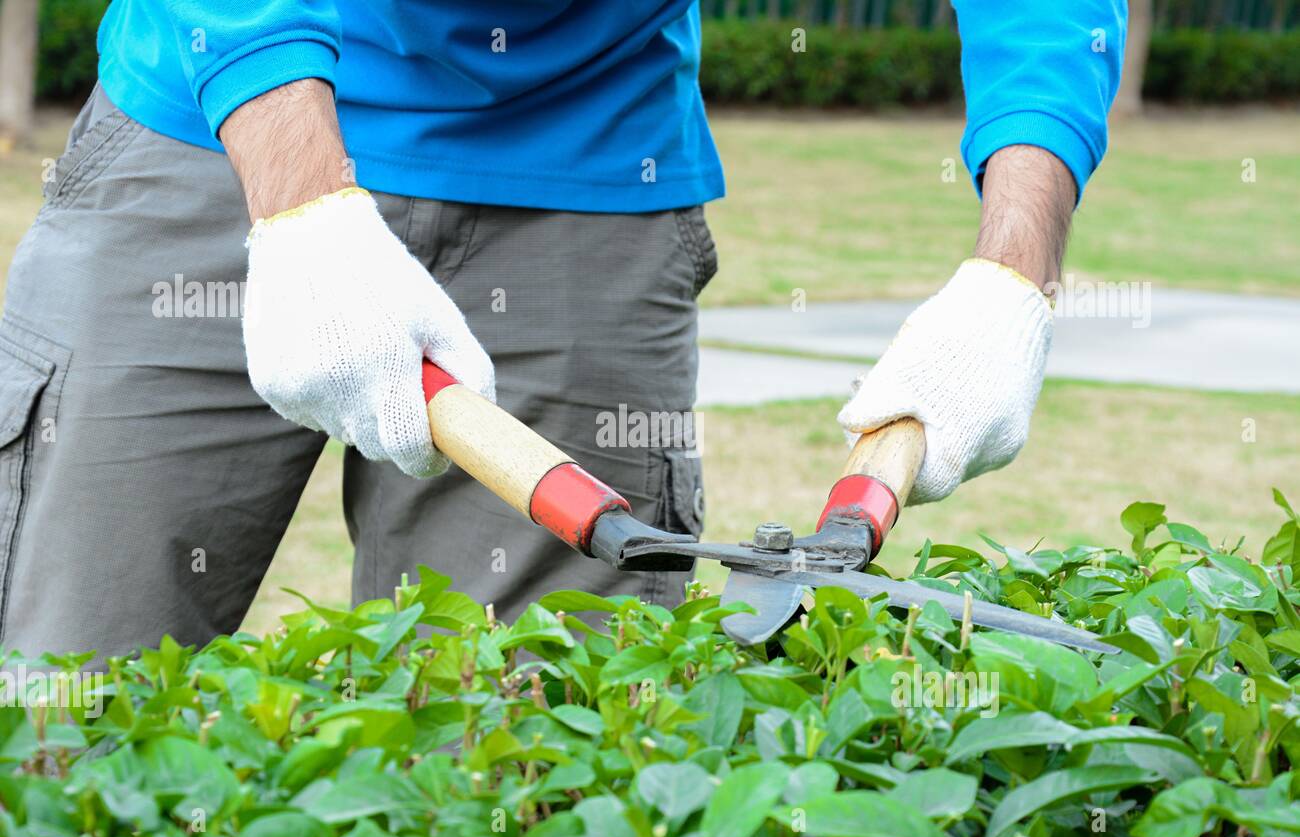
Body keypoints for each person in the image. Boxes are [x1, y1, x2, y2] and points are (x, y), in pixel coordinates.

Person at [0, 1, 1125, 660]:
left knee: (531, 748)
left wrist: (1011, 274)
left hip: (588, 171)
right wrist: (298, 203)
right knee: (65, 709)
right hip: (210, 107)